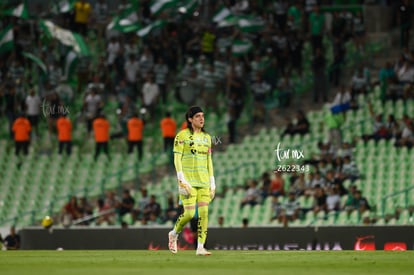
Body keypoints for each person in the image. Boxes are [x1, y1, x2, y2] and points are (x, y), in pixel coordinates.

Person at [168, 106, 215, 256]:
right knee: (188, 214)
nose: (202, 119)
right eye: (197, 116)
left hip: (204, 182)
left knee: (204, 213)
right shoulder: (181, 136)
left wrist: (212, 183)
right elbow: (176, 158)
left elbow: (209, 161)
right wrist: (181, 179)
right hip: (188, 181)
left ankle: (200, 247)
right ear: (190, 119)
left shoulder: (207, 138)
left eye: (203, 116)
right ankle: (174, 233)